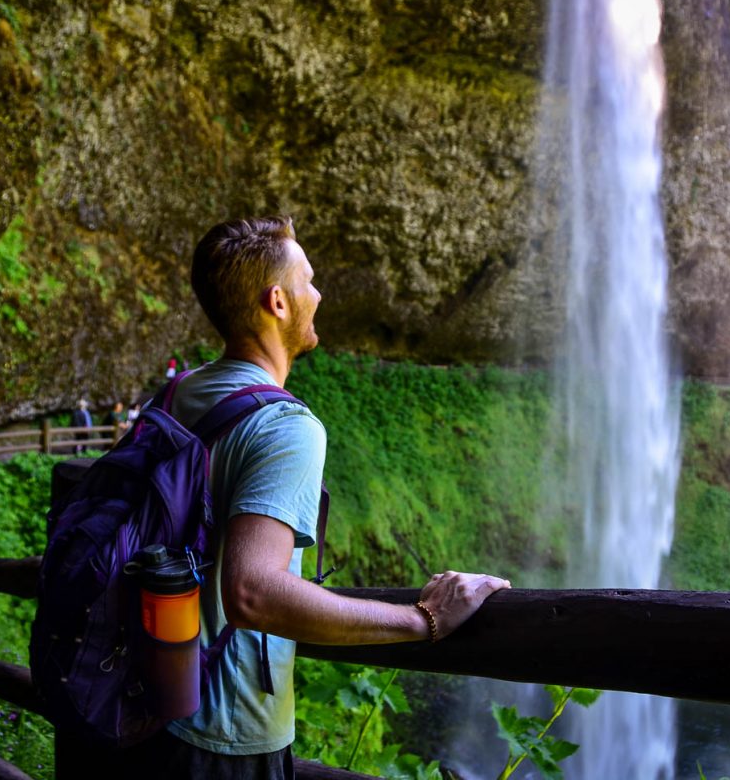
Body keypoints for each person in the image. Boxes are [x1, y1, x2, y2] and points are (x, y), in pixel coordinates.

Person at [70, 216, 511, 776]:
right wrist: (423, 619)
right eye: (308, 280)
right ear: (277, 302)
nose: (320, 293)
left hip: (150, 700)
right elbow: (253, 592)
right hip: (224, 728)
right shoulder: (285, 427)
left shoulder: (181, 391)